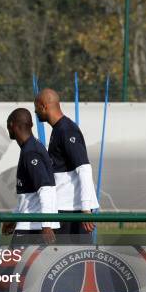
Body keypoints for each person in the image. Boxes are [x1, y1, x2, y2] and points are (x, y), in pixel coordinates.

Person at [34, 88, 99, 244]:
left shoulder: (67, 130)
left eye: (36, 107)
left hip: (73, 212)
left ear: (43, 106)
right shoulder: (58, 129)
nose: (35, 112)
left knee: (74, 261)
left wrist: (85, 209)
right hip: (64, 208)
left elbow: (84, 168)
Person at [1, 108, 59, 245]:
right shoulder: (32, 146)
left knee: (11, 266)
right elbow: (29, 197)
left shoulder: (30, 152)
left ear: (11, 125)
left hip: (32, 229)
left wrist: (46, 226)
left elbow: (45, 189)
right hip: (33, 226)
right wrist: (14, 217)